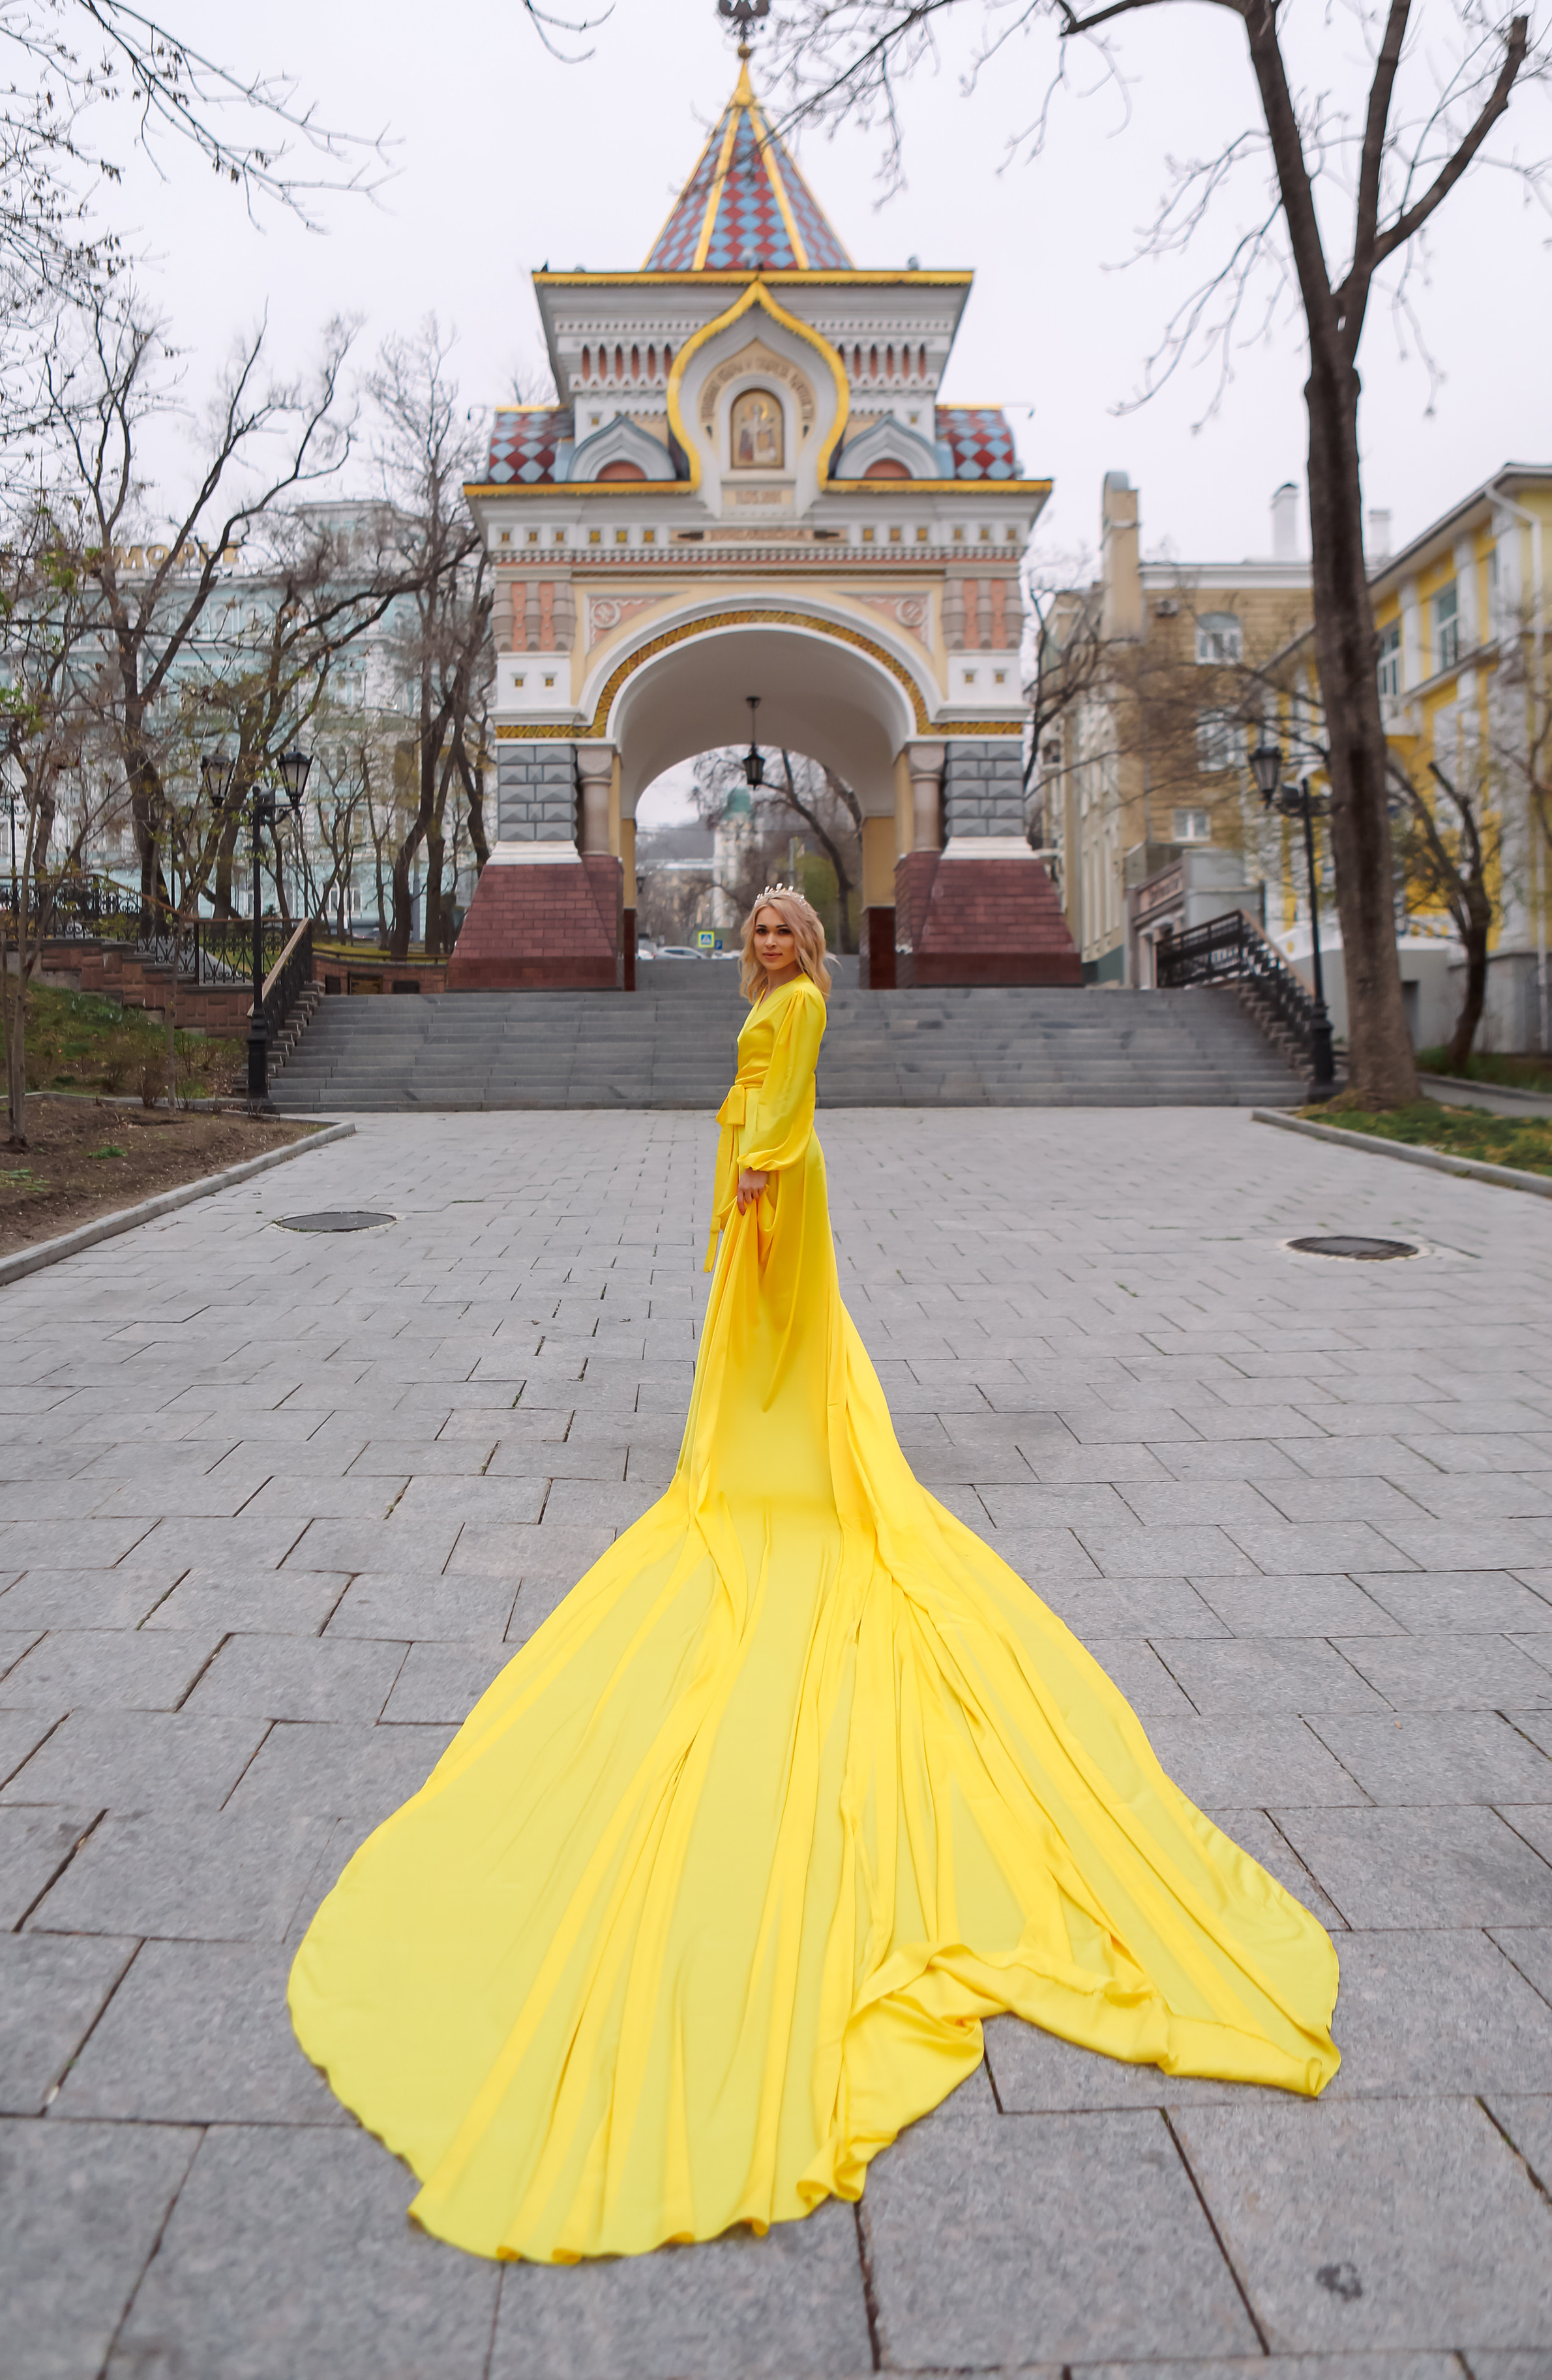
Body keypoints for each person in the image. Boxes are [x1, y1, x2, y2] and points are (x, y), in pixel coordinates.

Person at [288, 885, 1339, 2265]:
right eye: (764, 932)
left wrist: (746, 1197)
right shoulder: (775, 1006)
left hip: (775, 1195)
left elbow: (776, 1113)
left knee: (777, 1363)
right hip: (773, 1186)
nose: (774, 948)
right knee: (787, 1373)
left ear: (807, 950)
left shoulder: (791, 1015)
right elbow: (769, 1095)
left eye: (788, 930)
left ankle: (773, 1470)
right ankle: (776, 1459)